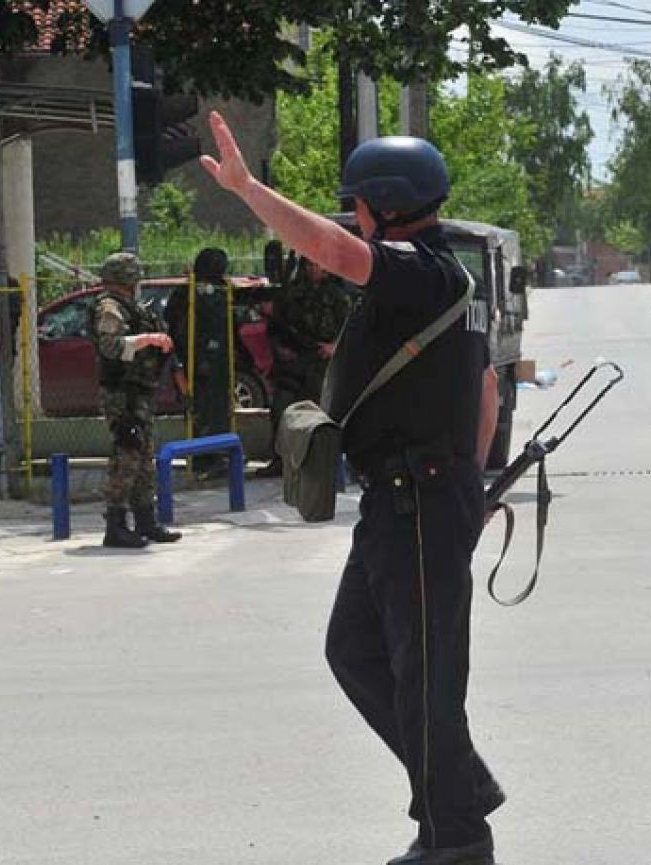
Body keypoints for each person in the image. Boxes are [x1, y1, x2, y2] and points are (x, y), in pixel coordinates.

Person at [202, 114, 503, 865]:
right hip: (405, 498)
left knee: (426, 676)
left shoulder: (421, 270)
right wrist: (472, 485)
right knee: (354, 650)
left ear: (384, 204)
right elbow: (486, 389)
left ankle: (455, 837)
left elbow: (333, 250)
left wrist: (248, 190)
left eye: (358, 204)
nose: (353, 218)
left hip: (421, 496)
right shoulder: (437, 277)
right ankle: (456, 787)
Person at [92, 252, 183, 549]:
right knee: (127, 455)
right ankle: (115, 526)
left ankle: (146, 521)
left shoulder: (131, 307)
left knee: (144, 457)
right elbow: (111, 347)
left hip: (139, 391)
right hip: (122, 393)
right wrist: (149, 339)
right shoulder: (110, 308)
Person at [255, 255, 353, 478]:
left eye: (320, 264)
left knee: (320, 412)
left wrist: (333, 346)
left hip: (321, 361)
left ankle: (321, 460)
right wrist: (281, 350)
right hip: (295, 361)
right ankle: (280, 459)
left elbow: (350, 329)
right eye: (312, 264)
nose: (317, 269)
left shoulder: (338, 296)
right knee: (282, 409)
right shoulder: (291, 294)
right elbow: (275, 328)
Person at [165, 247, 234, 476]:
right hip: (197, 363)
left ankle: (218, 456)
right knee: (201, 410)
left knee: (217, 410)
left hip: (217, 363)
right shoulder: (191, 292)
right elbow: (177, 324)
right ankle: (205, 459)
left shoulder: (219, 290)